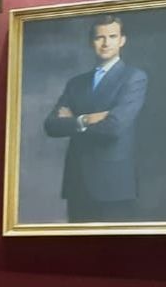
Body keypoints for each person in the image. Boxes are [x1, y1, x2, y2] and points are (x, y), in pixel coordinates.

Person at [42, 14, 148, 223]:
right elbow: (51, 125)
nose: (106, 43)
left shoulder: (134, 77)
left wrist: (73, 121)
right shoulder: (76, 83)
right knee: (76, 252)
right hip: (78, 183)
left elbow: (114, 127)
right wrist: (86, 119)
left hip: (114, 185)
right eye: (100, 37)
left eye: (112, 36)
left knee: (112, 253)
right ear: (92, 42)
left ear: (122, 40)